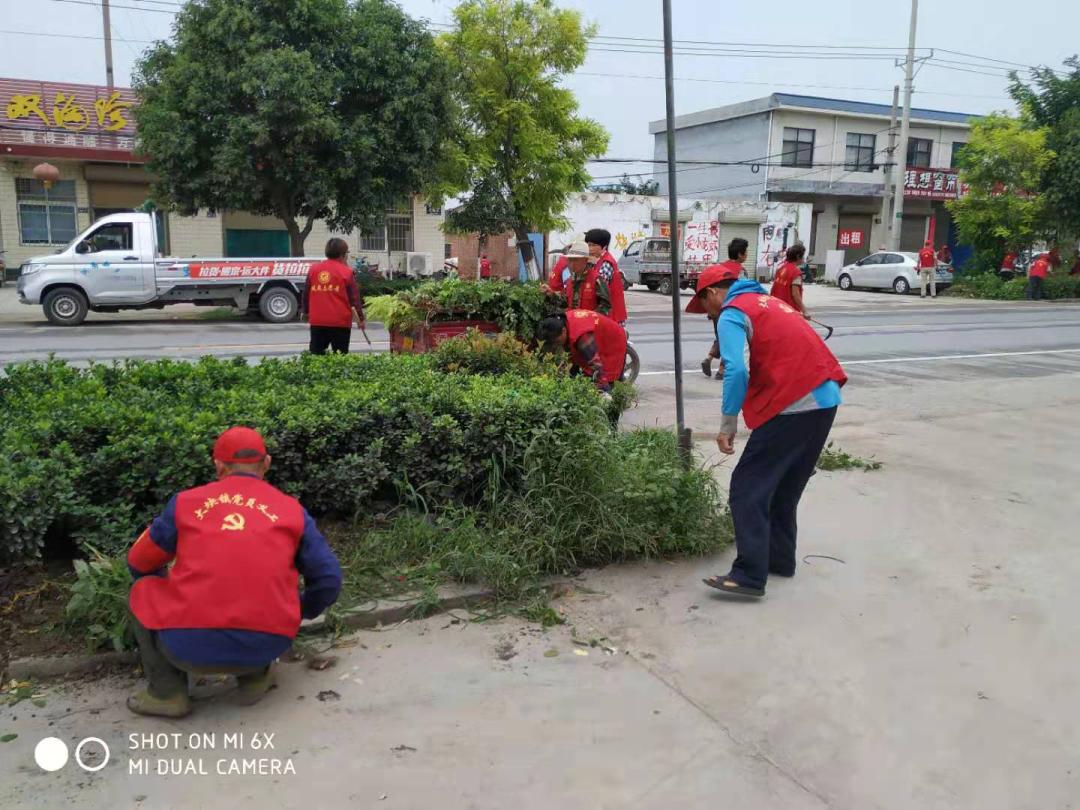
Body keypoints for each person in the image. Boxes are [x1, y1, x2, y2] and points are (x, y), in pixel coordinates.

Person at [126, 427, 342, 717]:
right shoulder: (292, 511)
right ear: (266, 463)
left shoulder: (186, 504)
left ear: (218, 465)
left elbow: (139, 562)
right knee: (262, 596)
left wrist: (166, 584)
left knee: (142, 591)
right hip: (269, 642)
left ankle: (167, 693)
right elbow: (328, 579)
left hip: (185, 647)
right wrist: (298, 610)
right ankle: (254, 677)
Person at [686, 264, 847, 598]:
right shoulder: (772, 302)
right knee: (784, 487)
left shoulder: (732, 312)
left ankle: (748, 574)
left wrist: (727, 424)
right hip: (825, 397)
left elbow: (735, 371)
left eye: (705, 307)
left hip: (793, 403)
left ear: (713, 293)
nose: (709, 315)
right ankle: (778, 559)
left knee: (748, 487)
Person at [538, 309, 627, 393]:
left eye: (557, 341)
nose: (555, 345)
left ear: (564, 331)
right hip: (596, 332)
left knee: (606, 380)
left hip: (612, 340)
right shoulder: (563, 322)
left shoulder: (582, 337)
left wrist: (604, 390)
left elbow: (596, 364)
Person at [302, 238, 365, 354]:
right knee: (340, 358)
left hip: (317, 321)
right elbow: (354, 299)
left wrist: (305, 312)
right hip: (340, 322)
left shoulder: (313, 270)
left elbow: (306, 294)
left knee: (316, 358)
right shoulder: (346, 272)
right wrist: (360, 319)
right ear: (343, 254)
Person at [701, 238, 750, 379]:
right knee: (731, 339)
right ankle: (722, 370)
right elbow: (743, 292)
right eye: (745, 252)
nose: (747, 254)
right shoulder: (741, 272)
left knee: (721, 336)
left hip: (716, 309)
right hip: (732, 310)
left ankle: (709, 358)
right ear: (740, 254)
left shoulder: (718, 268)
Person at [583, 228, 629, 324]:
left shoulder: (606, 263)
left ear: (604, 247)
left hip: (610, 314)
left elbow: (598, 288)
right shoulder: (596, 260)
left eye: (594, 245)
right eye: (588, 245)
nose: (590, 249)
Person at [770, 243, 810, 319]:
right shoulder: (796, 272)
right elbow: (795, 294)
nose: (804, 258)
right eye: (803, 256)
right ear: (798, 256)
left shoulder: (781, 268)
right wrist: (804, 311)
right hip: (789, 311)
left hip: (776, 307)